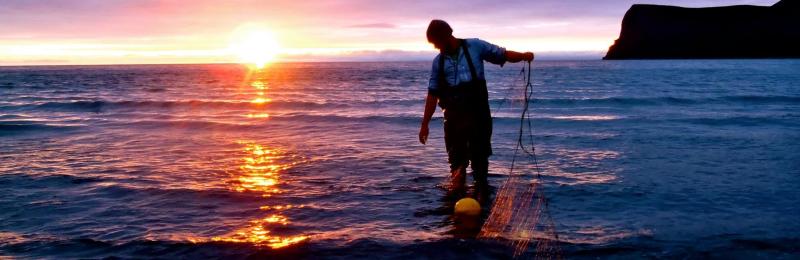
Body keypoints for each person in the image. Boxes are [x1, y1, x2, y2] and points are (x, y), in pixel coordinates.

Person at [418, 19, 534, 201]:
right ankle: (458, 199)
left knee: (480, 160)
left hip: (478, 115)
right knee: (456, 162)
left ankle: (481, 195)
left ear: (448, 35)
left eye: (437, 42)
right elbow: (432, 94)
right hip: (453, 118)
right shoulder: (438, 63)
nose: (436, 47)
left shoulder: (475, 46)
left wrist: (523, 56)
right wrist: (424, 124)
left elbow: (501, 55)